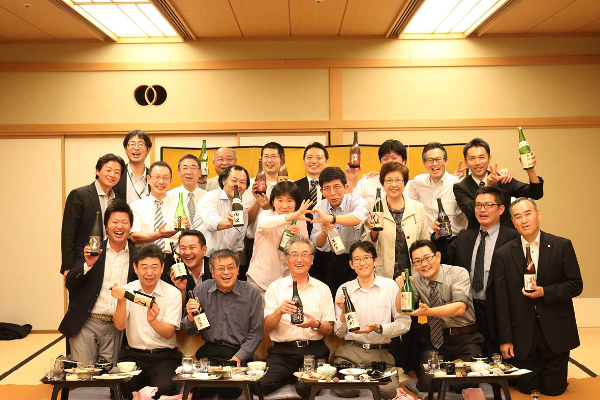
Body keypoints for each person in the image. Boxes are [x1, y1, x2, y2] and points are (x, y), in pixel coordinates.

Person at [494, 198, 583, 396]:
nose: (524, 220)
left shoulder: (561, 246)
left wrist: (546, 292)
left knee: (554, 390)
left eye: (528, 214)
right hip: (522, 333)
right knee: (527, 389)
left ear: (538, 214)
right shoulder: (503, 254)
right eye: (518, 217)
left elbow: (575, 285)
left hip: (556, 329)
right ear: (513, 222)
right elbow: (501, 301)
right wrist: (505, 339)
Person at [433, 187, 519, 357]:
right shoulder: (466, 236)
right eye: (478, 205)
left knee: (498, 362)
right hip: (469, 310)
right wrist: (439, 237)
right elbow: (447, 260)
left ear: (501, 209)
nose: (482, 210)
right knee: (472, 359)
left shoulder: (513, 238)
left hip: (498, 309)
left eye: (488, 205)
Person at [396, 240, 483, 392]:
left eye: (427, 258)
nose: (424, 264)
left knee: (463, 384)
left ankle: (452, 376)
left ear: (438, 256)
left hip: (465, 339)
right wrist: (401, 288)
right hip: (436, 341)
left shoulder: (458, 273)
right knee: (428, 385)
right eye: (417, 261)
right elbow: (401, 309)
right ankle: (447, 374)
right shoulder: (415, 281)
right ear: (413, 264)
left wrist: (428, 311)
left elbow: (459, 308)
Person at [59, 199, 136, 366]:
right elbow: (70, 283)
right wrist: (88, 264)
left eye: (124, 222)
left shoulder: (137, 256)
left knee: (110, 374)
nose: (119, 226)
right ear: (106, 226)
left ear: (131, 227)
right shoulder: (92, 250)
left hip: (117, 326)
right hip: (87, 321)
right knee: (83, 372)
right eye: (114, 222)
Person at [182, 249, 264, 399]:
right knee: (198, 389)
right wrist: (190, 318)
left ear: (238, 270)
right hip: (209, 353)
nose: (226, 272)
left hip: (238, 354)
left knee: (229, 391)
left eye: (231, 267)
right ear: (212, 272)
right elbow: (189, 330)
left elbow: (256, 333)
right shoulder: (201, 290)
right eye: (220, 268)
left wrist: (238, 358)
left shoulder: (252, 293)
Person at [333, 241, 410, 399]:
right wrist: (342, 314)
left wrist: (380, 328)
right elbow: (338, 333)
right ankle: (361, 383)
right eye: (357, 259)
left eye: (366, 257)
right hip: (350, 352)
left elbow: (404, 323)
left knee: (391, 392)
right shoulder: (343, 290)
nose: (362, 263)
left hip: (380, 353)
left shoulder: (390, 286)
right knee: (345, 390)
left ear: (375, 260)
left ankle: (368, 383)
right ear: (351, 264)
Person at [260, 236, 335, 397]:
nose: (299, 259)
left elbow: (328, 329)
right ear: (287, 259)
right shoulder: (275, 288)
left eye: (305, 254)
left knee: (307, 389)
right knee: (260, 385)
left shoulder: (322, 289)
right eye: (294, 255)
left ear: (312, 260)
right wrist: (279, 311)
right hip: (282, 353)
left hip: (313, 350)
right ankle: (290, 375)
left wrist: (315, 324)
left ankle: (296, 379)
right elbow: (268, 326)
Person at [111, 244, 183, 399]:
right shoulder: (127, 290)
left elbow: (169, 333)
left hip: (164, 356)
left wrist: (153, 322)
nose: (149, 273)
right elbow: (119, 325)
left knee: (164, 388)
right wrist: (122, 301)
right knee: (118, 388)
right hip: (134, 356)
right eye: (144, 267)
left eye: (154, 267)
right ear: (135, 268)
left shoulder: (173, 293)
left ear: (162, 267)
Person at [453, 137, 543, 230]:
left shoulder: (502, 179)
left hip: (507, 238)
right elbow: (471, 211)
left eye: (482, 157)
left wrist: (530, 169)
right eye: (472, 158)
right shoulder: (460, 187)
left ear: (489, 159)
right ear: (466, 162)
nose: (477, 162)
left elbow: (536, 193)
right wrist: (488, 185)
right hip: (478, 238)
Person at [61, 153, 125, 276]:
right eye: (108, 170)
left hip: (111, 259)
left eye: (117, 172)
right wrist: (68, 267)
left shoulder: (117, 199)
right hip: (84, 259)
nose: (112, 175)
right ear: (97, 171)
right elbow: (68, 234)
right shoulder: (79, 195)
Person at [363, 161, 429, 280]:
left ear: (405, 183)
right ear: (383, 183)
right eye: (389, 180)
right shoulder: (373, 208)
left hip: (413, 273)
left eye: (398, 180)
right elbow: (366, 247)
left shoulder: (418, 208)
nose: (394, 184)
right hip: (384, 274)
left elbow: (425, 242)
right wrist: (373, 233)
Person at [310, 167, 369, 295]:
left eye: (337, 187)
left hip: (356, 259)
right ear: (321, 191)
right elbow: (317, 243)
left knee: (357, 297)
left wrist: (332, 218)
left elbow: (358, 218)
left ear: (345, 187)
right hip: (331, 261)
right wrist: (324, 233)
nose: (332, 193)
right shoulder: (320, 207)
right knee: (331, 299)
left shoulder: (355, 201)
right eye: (327, 188)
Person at [246, 181, 311, 297]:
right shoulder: (265, 215)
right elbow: (265, 224)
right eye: (280, 200)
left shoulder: (300, 220)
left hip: (288, 281)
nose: (285, 205)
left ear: (296, 202)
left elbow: (306, 249)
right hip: (261, 281)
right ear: (273, 202)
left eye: (289, 200)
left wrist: (298, 238)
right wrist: (292, 216)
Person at [130, 161, 185, 283]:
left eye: (165, 178)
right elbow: (134, 237)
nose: (161, 182)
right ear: (148, 179)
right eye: (157, 177)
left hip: (172, 261)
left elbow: (185, 236)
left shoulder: (180, 205)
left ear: (171, 181)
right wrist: (159, 235)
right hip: (144, 261)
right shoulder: (137, 206)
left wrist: (187, 230)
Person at [193, 165, 250, 279]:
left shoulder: (243, 211)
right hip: (203, 260)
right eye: (234, 180)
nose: (238, 185)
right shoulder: (210, 197)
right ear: (223, 180)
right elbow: (210, 222)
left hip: (226, 264)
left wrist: (233, 268)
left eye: (243, 182)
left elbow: (238, 245)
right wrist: (227, 223)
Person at [405, 142, 468, 238]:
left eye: (438, 159)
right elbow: (399, 182)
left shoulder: (457, 183)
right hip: (430, 241)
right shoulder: (418, 181)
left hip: (454, 240)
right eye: (430, 160)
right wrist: (379, 175)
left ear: (446, 161)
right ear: (424, 163)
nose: (434, 164)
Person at [295, 142, 329, 281]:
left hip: (327, 249)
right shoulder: (294, 187)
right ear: (303, 162)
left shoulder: (333, 187)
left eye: (319, 158)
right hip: (300, 248)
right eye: (309, 157)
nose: (313, 161)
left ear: (326, 162)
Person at [346, 139, 407, 208]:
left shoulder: (410, 185)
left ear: (404, 161)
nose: (390, 162)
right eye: (385, 159)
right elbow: (350, 205)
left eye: (394, 158)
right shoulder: (366, 182)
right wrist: (351, 179)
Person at [169, 230, 208, 308]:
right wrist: (182, 290)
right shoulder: (174, 275)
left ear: (204, 250)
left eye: (192, 248)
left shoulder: (215, 269)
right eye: (183, 248)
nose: (187, 252)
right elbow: (178, 312)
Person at [167, 154, 207, 229]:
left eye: (193, 168)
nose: (189, 172)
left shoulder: (207, 197)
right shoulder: (169, 196)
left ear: (200, 172)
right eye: (185, 168)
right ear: (178, 172)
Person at [113, 130, 151, 204]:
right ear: (125, 150)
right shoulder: (116, 175)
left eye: (141, 144)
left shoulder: (153, 176)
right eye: (132, 144)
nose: (136, 148)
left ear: (148, 150)